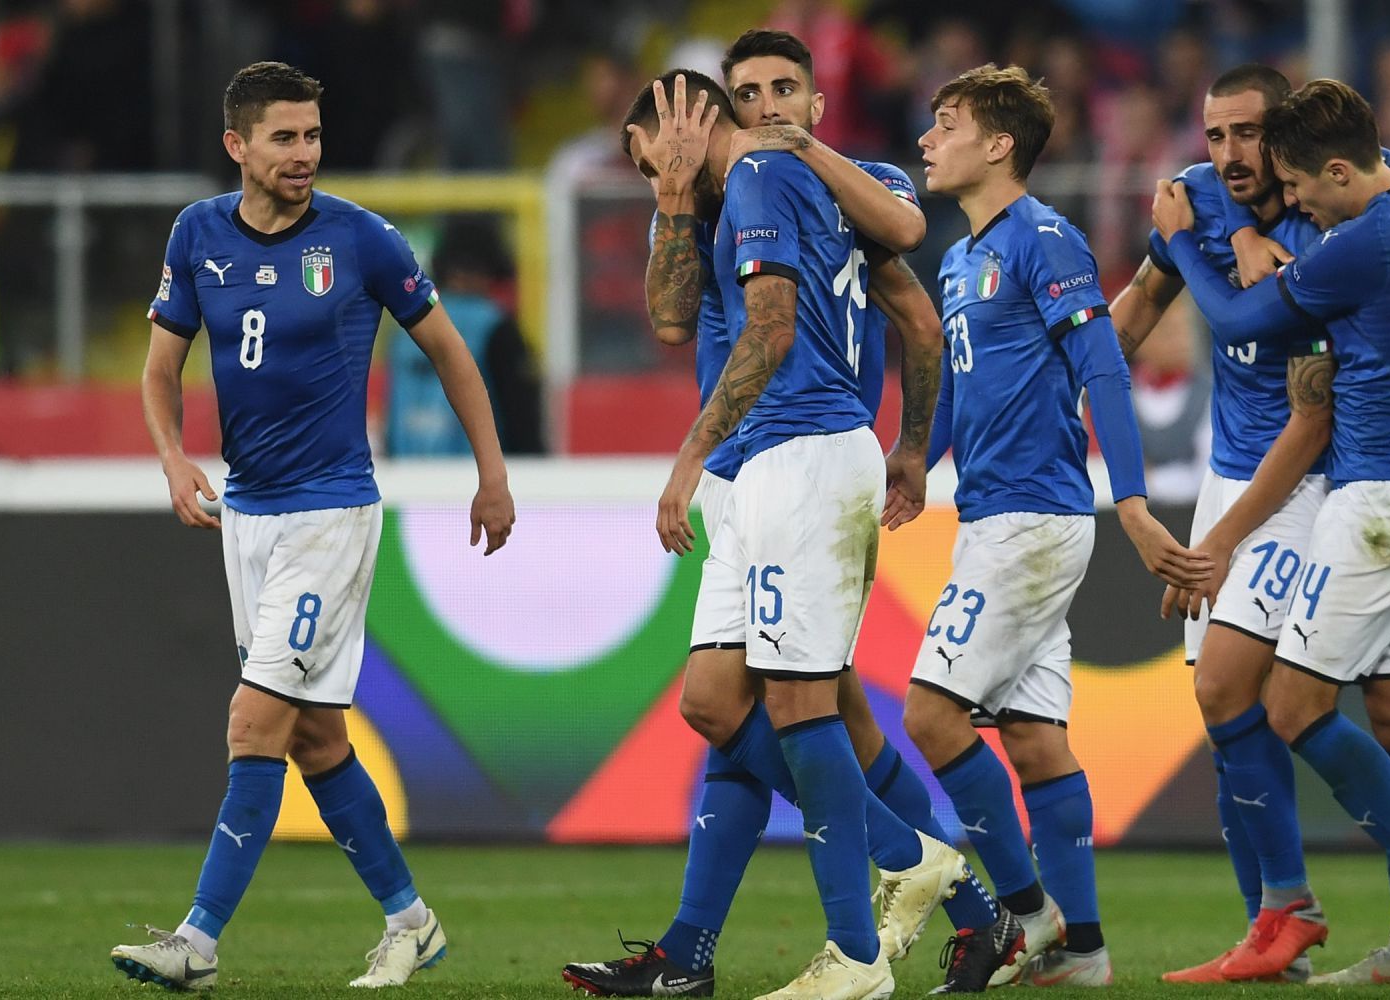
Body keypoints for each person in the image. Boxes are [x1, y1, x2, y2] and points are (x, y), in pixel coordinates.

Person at [563, 37, 995, 999]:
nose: (650, 178)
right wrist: (675, 198)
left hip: (800, 457)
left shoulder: (770, 174)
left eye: (652, 157)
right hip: (756, 474)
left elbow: (784, 324)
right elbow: (676, 321)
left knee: (806, 709)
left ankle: (860, 944)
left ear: (685, 120)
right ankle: (912, 869)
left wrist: (689, 456)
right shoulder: (735, 196)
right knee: (721, 705)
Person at [110, 61, 515, 992]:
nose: (304, 154)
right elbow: (160, 370)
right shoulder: (197, 233)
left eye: (312, 137)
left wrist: (492, 473)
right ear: (237, 146)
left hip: (330, 513)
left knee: (254, 722)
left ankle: (197, 943)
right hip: (245, 514)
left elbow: (450, 352)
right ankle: (411, 922)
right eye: (284, 137)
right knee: (316, 738)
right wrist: (173, 457)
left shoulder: (362, 238)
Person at [1154, 78, 1390, 988]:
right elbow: (1152, 289)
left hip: (1365, 497)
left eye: (1259, 143)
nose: (1277, 189)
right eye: (1216, 136)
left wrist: (1188, 241)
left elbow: (1252, 325)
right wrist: (1235, 233)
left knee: (1285, 703)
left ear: (1324, 163)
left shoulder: (1359, 238)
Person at [906, 62, 1210, 991]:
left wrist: (1130, 501)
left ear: (999, 144)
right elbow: (960, 377)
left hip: (1036, 518)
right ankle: (1083, 951)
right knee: (1034, 739)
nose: (927, 138)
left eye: (946, 122)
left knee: (929, 713)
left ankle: (1026, 915)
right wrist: (919, 451)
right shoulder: (960, 256)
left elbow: (1103, 370)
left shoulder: (1046, 239)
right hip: (992, 512)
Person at [1109, 62, 1337, 985]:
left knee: (1359, 709)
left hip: (1321, 480)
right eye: (1215, 135)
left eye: (1249, 133)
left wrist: (1226, 238)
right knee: (1224, 709)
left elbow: (1296, 386)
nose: (1229, 153)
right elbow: (1141, 308)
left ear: (1287, 134)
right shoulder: (1196, 201)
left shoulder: (1330, 214)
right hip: (1229, 474)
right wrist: (1071, 365)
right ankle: (1269, 931)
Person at [385, 215, 544, 457]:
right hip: (476, 478)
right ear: (488, 270)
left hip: (408, 476)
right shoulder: (496, 328)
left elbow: (393, 417)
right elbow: (520, 420)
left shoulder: (404, 329)